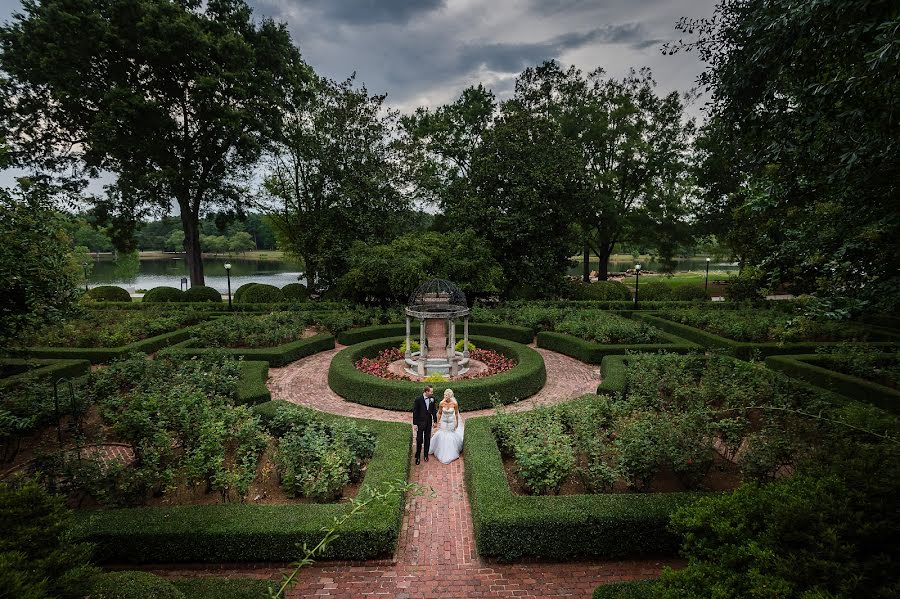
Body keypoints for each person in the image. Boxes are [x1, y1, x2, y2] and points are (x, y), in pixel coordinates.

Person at [429, 388, 464, 464]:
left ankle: (450, 452)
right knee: (443, 435)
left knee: (450, 436)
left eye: (447, 395)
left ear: (450, 396)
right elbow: (440, 413)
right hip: (444, 422)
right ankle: (441, 451)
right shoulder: (441, 403)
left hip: (451, 422)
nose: (445, 396)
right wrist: (437, 423)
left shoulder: (454, 404)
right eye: (444, 395)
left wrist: (457, 423)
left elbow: (456, 414)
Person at [412, 385, 437, 465]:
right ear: (426, 391)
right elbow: (415, 412)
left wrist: (435, 421)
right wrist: (415, 424)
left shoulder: (432, 399)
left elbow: (434, 410)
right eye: (431, 392)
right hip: (419, 423)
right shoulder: (418, 400)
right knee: (419, 440)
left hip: (428, 422)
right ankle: (418, 456)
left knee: (427, 439)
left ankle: (426, 455)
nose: (432, 393)